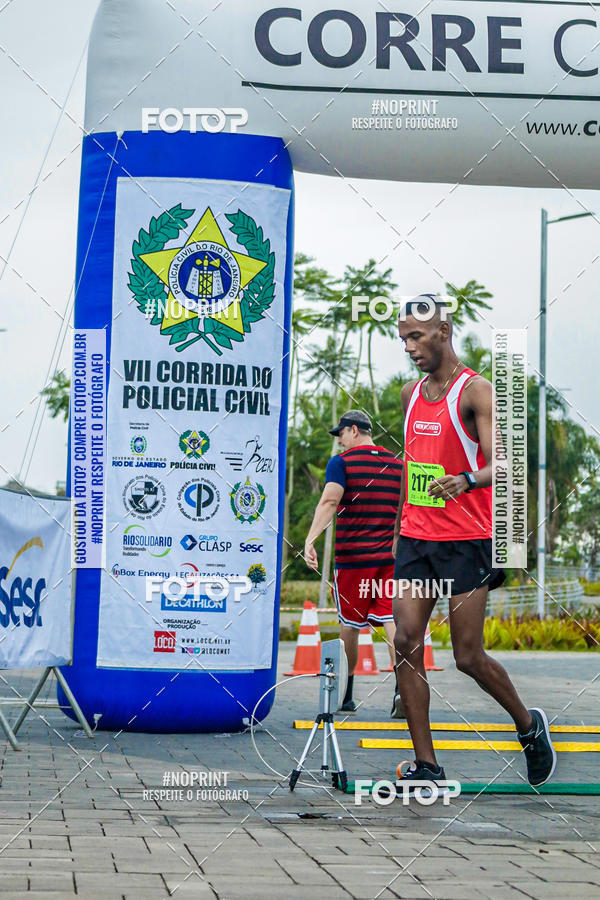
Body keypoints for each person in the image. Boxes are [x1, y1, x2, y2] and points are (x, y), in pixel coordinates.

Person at [392, 296, 556, 788]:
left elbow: (503, 463)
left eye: (416, 337)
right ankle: (428, 765)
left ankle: (528, 726)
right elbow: (410, 464)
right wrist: (398, 525)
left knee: (467, 656)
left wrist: (467, 480)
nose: (410, 347)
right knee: (404, 642)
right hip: (416, 538)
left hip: (467, 540)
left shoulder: (476, 391)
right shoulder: (409, 394)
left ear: (443, 331)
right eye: (403, 339)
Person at [304, 410, 403, 713]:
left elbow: (330, 500)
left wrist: (310, 539)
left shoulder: (342, 463)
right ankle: (404, 690)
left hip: (353, 561)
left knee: (350, 625)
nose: (340, 442)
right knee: (392, 621)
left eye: (342, 435)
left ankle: (345, 695)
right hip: (391, 559)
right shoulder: (398, 464)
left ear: (355, 431)